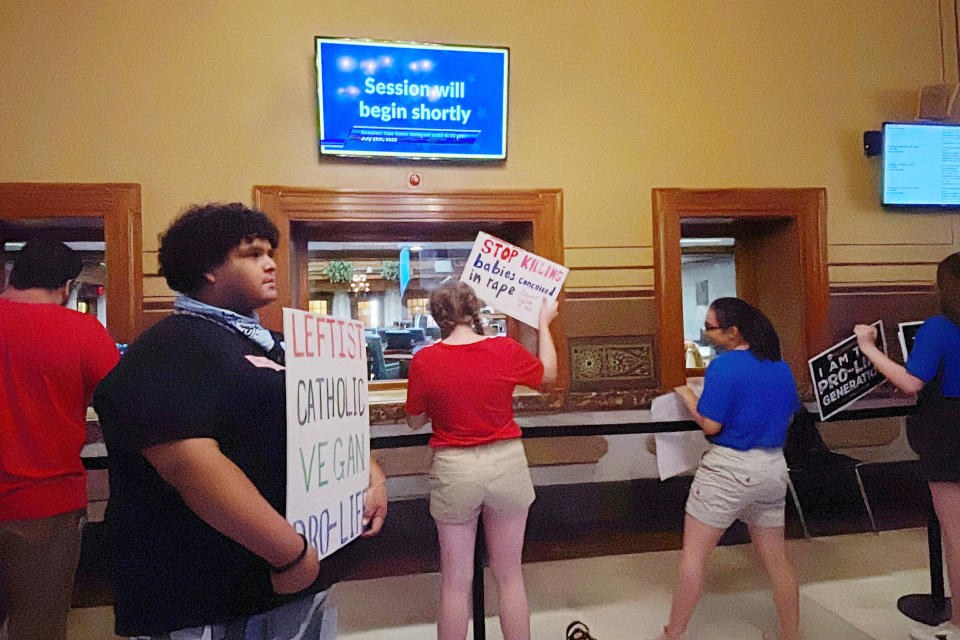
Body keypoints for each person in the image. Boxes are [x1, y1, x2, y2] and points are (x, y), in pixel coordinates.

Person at [92, 203, 387, 639]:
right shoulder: (169, 348)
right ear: (208, 267)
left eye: (270, 251)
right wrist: (289, 555)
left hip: (296, 586)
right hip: (210, 595)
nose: (269, 263)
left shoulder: (281, 346)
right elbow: (189, 465)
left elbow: (330, 420)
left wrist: (370, 474)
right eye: (251, 254)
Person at [405, 283, 558, 640]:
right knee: (510, 576)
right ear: (474, 311)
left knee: (455, 584)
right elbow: (548, 375)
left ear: (437, 316)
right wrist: (543, 323)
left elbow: (414, 418)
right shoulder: (503, 349)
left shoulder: (425, 360)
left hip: (454, 468)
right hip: (506, 463)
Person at [660, 297, 800, 640]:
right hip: (772, 468)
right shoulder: (780, 367)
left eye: (709, 328)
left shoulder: (723, 367)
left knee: (694, 556)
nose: (705, 334)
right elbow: (789, 412)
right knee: (776, 559)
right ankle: (790, 634)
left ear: (733, 332)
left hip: (728, 471)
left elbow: (711, 425)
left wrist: (688, 396)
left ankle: (673, 633)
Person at [0, 241, 120, 640]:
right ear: (66, 286)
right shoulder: (82, 331)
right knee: (37, 626)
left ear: (12, 274)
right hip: (46, 504)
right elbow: (125, 404)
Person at [854, 251, 960, 640]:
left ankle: (958, 625)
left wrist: (868, 347)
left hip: (948, 433)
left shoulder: (938, 327)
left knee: (956, 535)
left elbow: (912, 382)